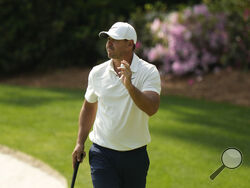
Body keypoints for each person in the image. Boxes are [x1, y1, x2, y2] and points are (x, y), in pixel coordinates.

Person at [72, 22, 161, 188]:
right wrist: (80, 142)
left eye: (115, 40)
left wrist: (129, 86)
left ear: (130, 44)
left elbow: (152, 108)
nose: (108, 43)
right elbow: (89, 106)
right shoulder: (97, 72)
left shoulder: (148, 71)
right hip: (102, 152)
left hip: (135, 155)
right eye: (108, 39)